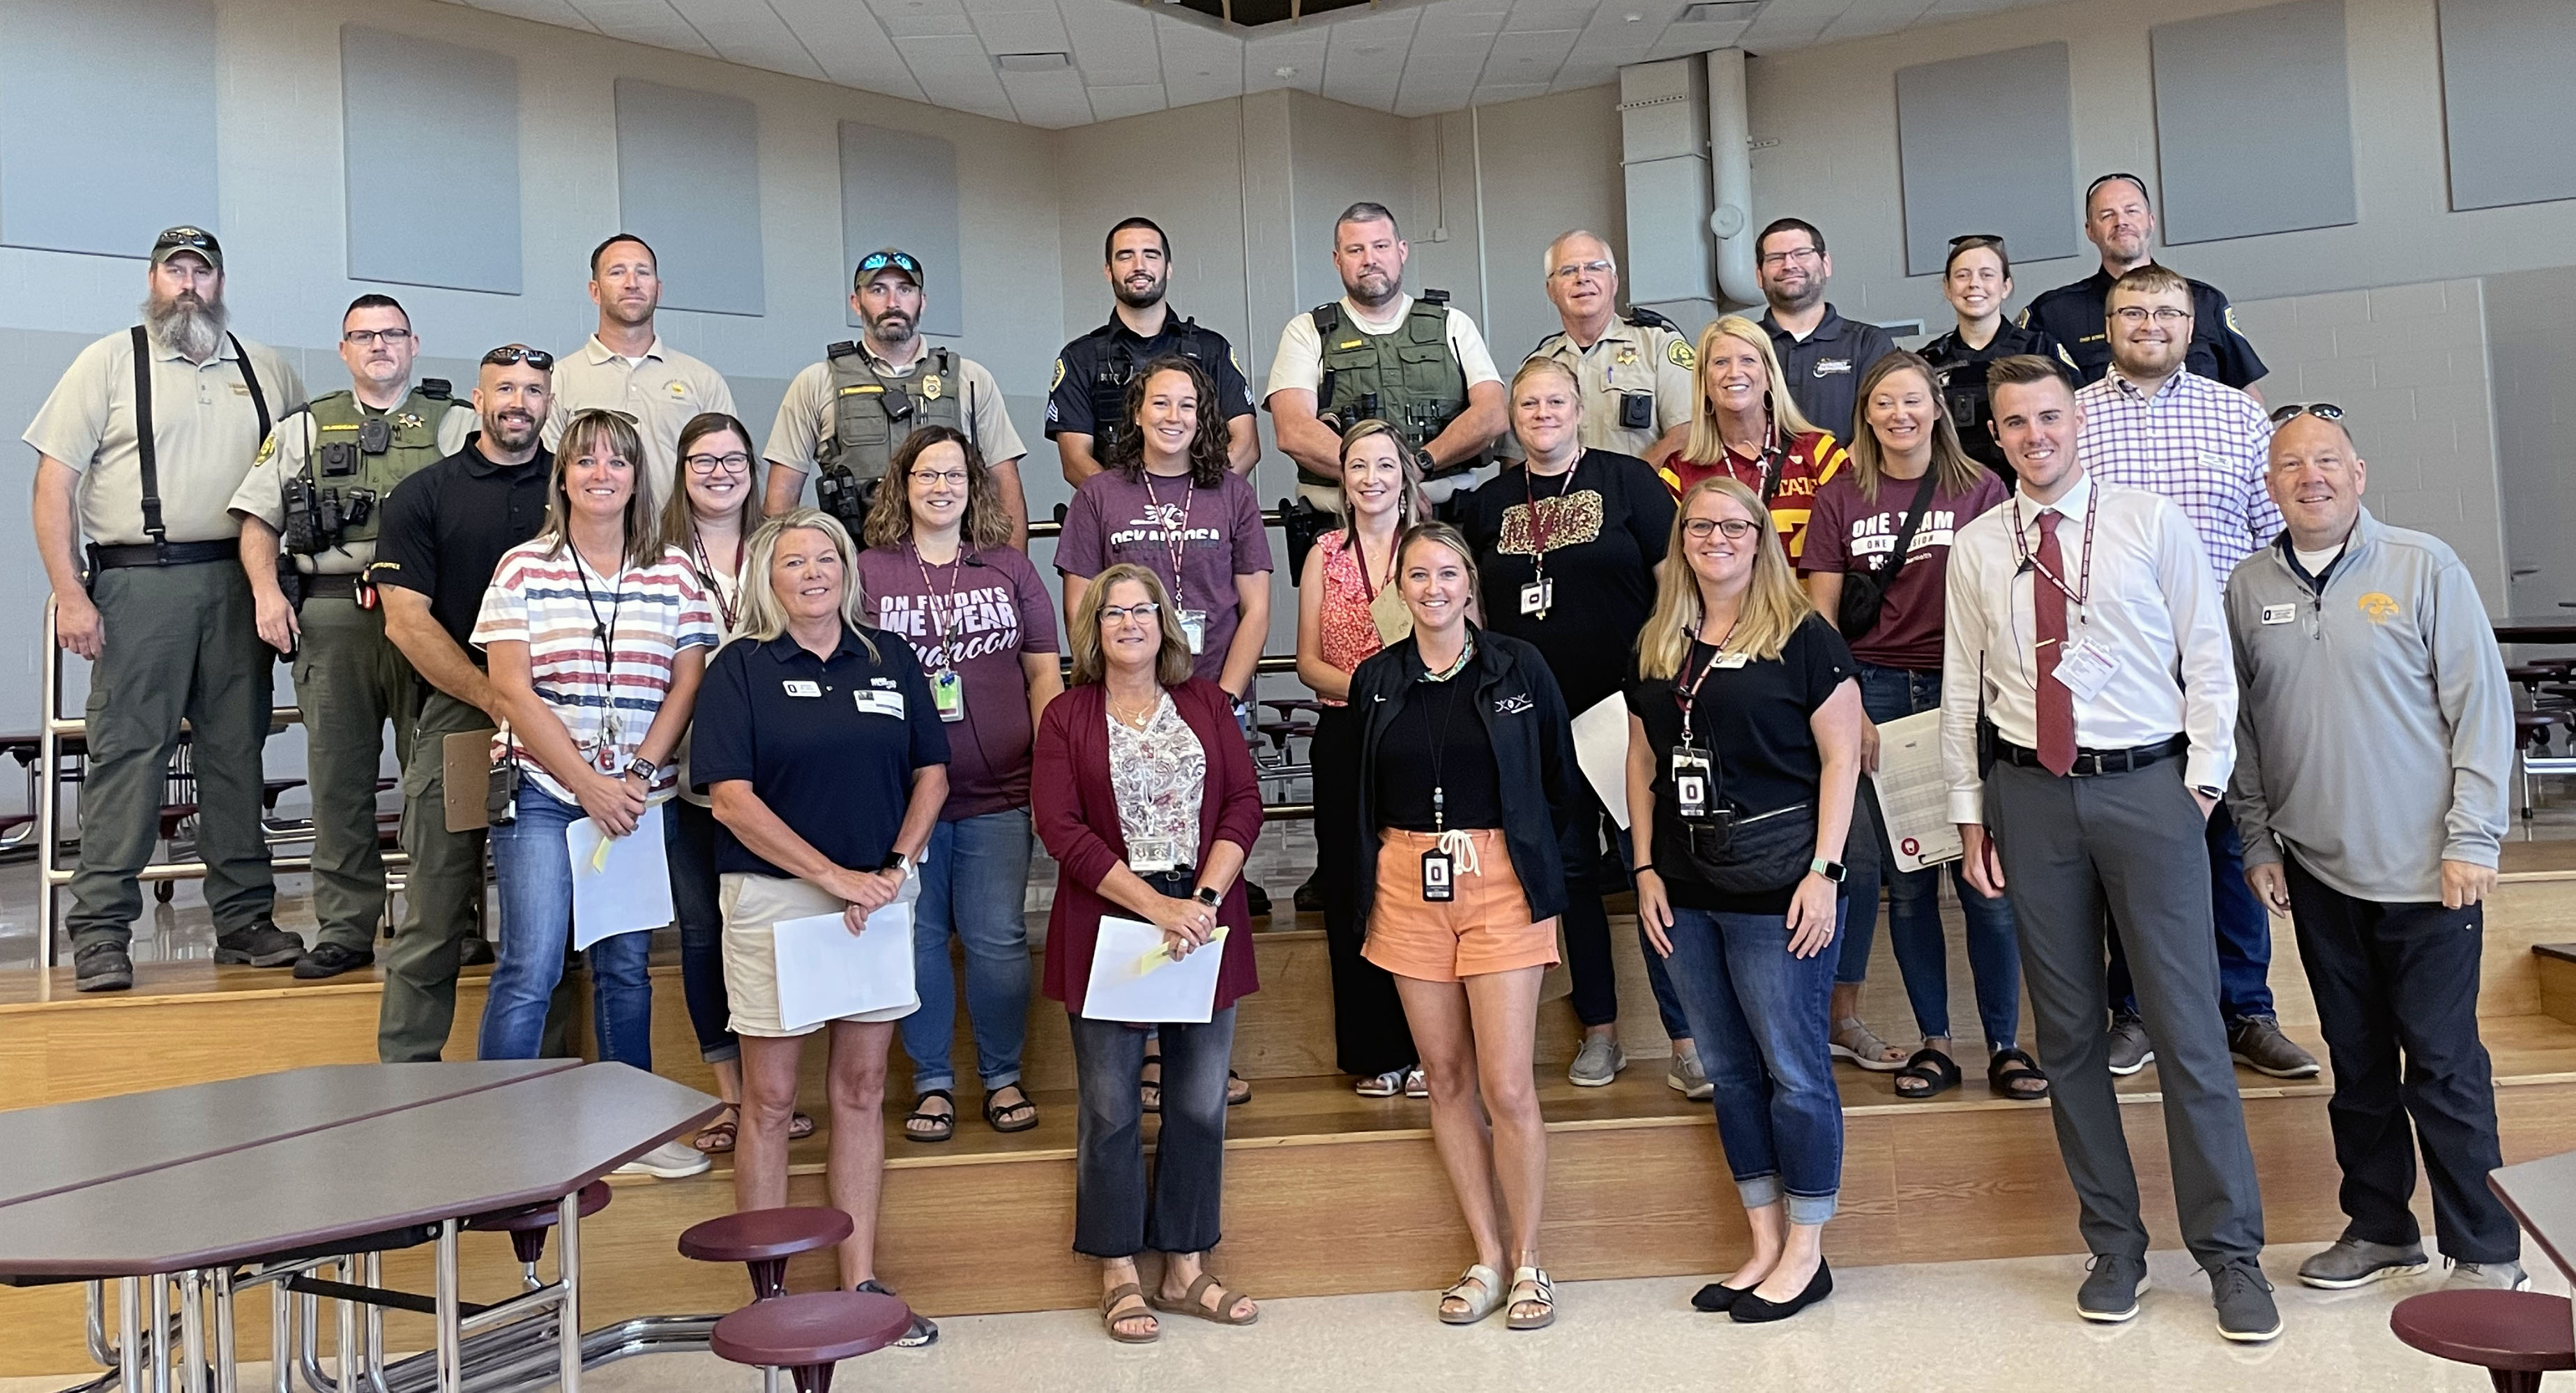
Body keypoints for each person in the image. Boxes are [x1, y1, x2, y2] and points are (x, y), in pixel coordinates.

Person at [1941, 355, 2278, 1343]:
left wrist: (2201, 784)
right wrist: (1970, 818)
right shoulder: (1975, 546)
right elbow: (1962, 689)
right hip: (2028, 797)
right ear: (1993, 436)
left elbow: (2206, 658)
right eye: (2014, 423)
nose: (2034, 435)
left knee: (2187, 1029)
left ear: (2074, 421)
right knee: (2072, 1036)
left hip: (2146, 789)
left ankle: (2230, 1255)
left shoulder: (2147, 521)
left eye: (2048, 416)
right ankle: (2115, 1245)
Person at [2227, 405, 2527, 1293]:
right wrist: (2257, 838)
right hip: (2316, 869)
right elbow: (2243, 729)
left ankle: (2484, 1248)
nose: (2309, 476)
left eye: (2326, 461)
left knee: (2441, 1064)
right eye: (2290, 465)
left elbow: (2481, 709)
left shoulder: (2421, 564)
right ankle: (2379, 1226)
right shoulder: (2248, 585)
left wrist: (2472, 836)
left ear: (2358, 474)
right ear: (2269, 483)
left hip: (2431, 872)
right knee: (2356, 1066)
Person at [26, 225, 308, 991]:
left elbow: (299, 484)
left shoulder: (267, 367)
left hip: (240, 580)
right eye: (174, 270)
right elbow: (54, 486)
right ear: (153, 278)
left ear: (220, 283)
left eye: (202, 272)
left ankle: (245, 918)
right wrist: (71, 593)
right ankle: (102, 931)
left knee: (234, 755)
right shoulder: (108, 362)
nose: (188, 284)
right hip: (137, 581)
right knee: (127, 757)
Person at [694, 509, 949, 1347]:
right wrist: (833, 877)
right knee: (769, 1099)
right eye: (793, 560)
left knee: (863, 1091)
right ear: (767, 576)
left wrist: (896, 867)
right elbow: (729, 797)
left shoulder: (890, 657)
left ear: (847, 567)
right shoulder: (739, 667)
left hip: (876, 900)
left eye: (826, 557)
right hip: (778, 899)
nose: (813, 572)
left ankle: (862, 1279)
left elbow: (932, 773)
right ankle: (767, 1297)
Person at [1627, 476, 1862, 1324]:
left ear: (1761, 538)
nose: (1715, 538)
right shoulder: (1659, 639)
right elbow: (1642, 763)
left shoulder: (1804, 637)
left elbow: (1841, 759)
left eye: (1734, 526)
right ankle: (1762, 1242)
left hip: (1781, 889)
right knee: (1728, 1074)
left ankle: (1808, 1248)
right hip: (1684, 892)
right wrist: (1645, 868)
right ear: (1680, 537)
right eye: (1699, 525)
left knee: (1795, 1074)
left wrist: (1825, 873)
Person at [2075, 264, 2316, 1082]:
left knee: (2231, 836)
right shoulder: (2070, 419)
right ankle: (2136, 1011)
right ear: (2107, 324)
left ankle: (2246, 1008)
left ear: (2194, 325)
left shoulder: (2235, 419)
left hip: (2219, 666)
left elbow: (2266, 545)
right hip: (2113, 682)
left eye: (2168, 311)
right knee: (2129, 847)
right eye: (2133, 311)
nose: (2151, 323)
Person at [472, 408, 717, 1181]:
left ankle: (633, 1139)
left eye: (617, 461)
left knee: (624, 966)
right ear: (564, 475)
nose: (601, 473)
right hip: (545, 788)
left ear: (636, 477)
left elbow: (689, 680)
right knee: (532, 962)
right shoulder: (523, 567)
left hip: (639, 797)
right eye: (585, 461)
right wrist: (587, 783)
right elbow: (509, 687)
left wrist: (637, 777)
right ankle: (495, 1141)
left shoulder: (674, 569)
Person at [1350, 522, 1583, 1330]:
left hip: (1502, 883)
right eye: (1418, 574)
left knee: (1507, 1083)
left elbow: (1559, 779)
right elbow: (1362, 796)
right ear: (1400, 587)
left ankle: (1529, 1262)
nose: (1434, 587)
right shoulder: (1375, 678)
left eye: (1449, 572)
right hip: (1406, 883)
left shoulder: (1519, 666)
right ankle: (1485, 1255)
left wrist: (1544, 872)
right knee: (1443, 1076)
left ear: (1469, 582)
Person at [1032, 564, 1264, 1344]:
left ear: (1167, 623)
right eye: (1112, 612)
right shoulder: (1066, 715)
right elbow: (1060, 826)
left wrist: (1198, 900)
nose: (1129, 622)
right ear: (1092, 629)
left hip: (1204, 916)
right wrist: (1156, 905)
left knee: (1199, 1100)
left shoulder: (1203, 701)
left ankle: (1186, 1263)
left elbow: (1242, 800)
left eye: (1142, 610)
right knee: (1108, 1105)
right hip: (1111, 922)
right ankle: (1118, 1268)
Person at [1455, 358, 1699, 1093]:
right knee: (1565, 877)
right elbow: (1477, 612)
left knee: (1646, 864)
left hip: (1623, 711)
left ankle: (1689, 1038)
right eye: (1527, 403)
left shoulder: (1629, 482)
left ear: (1577, 407)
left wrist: (1666, 693)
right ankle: (1600, 1031)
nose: (1541, 413)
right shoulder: (1488, 503)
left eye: (1555, 401)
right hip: (1534, 720)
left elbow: (1674, 589)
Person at [1801, 352, 2036, 1102]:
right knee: (1907, 882)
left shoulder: (1984, 489)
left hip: (1963, 692)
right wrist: (1850, 707)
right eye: (1883, 404)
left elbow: (2009, 605)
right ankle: (1936, 1041)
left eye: (1912, 401)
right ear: (1864, 416)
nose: (1899, 415)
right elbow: (1821, 618)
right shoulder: (1841, 495)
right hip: (1875, 693)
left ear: (1936, 407)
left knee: (1984, 879)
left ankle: (2004, 1043)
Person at [231, 294, 475, 981]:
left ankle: (449, 922)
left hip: (431, 617)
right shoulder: (307, 427)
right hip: (334, 615)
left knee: (440, 778)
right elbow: (257, 519)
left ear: (414, 343)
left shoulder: (458, 423)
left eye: (391, 334)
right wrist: (266, 591)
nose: (379, 346)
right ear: (343, 349)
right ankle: (344, 927)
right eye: (363, 336)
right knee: (338, 780)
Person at [1056, 354, 1274, 1079]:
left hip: (1208, 701)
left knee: (1207, 856)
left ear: (1203, 416)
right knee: (1131, 855)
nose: (1173, 416)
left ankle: (1195, 1030)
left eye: (1188, 404)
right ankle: (1145, 1040)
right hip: (1123, 698)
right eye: (1159, 403)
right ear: (1137, 413)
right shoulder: (1101, 495)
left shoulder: (1232, 493)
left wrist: (1226, 700)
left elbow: (1256, 605)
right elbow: (1084, 602)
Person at [856, 426, 1063, 1142]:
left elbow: (1043, 673)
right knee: (915, 938)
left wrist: (1049, 772)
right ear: (902, 486)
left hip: (1001, 791)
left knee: (998, 939)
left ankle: (1002, 1074)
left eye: (954, 475)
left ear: (973, 486)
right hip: (900, 798)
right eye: (925, 475)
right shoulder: (870, 572)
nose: (940, 487)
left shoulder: (1008, 568)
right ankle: (933, 1080)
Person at [370, 346, 555, 1062]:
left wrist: (535, 706)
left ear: (549, 402)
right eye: (505, 387)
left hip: (564, 713)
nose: (519, 400)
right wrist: (496, 697)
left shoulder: (578, 488)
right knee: (439, 906)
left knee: (553, 922)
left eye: (534, 389)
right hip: (465, 709)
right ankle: (407, 1081)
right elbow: (406, 621)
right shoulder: (424, 493)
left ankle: (555, 1081)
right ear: (478, 400)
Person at [654, 411, 809, 1156]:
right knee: (702, 931)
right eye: (702, 459)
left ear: (754, 468)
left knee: (778, 927)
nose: (719, 471)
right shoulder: (650, 553)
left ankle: (778, 1093)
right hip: (686, 772)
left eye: (733, 458)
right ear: (681, 471)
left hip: (776, 770)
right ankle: (732, 1096)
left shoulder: (783, 548)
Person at [1293, 420, 1425, 1097]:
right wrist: (1375, 691)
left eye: (1383, 464)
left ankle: (1432, 1049)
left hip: (1425, 737)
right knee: (1353, 893)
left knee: (1422, 892)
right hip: (1347, 734)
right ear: (1341, 481)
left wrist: (1410, 696)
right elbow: (1310, 662)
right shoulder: (1324, 552)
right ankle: (1375, 1051)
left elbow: (1472, 637)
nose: (1370, 478)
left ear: (1405, 475)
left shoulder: (1433, 549)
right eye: (1356, 467)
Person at [762, 248, 1029, 545]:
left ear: (922, 301)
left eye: (905, 289)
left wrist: (1016, 576)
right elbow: (781, 498)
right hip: (857, 566)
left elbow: (1005, 485)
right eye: (878, 290)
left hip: (956, 568)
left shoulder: (970, 379)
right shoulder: (816, 382)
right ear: (856, 302)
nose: (893, 302)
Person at [1265, 202, 1507, 508]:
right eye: (1356, 250)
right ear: (1337, 260)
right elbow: (1293, 431)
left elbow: (1492, 414)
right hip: (1341, 523)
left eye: (1381, 246)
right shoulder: (1306, 331)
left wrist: (1420, 464)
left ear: (1402, 250)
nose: (1370, 259)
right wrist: (1380, 485)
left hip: (1447, 518)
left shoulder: (1453, 324)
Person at [1051, 217, 1259, 485]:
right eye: (1126, 256)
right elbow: (1075, 461)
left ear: (1168, 268)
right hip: (1117, 522)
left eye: (1151, 255)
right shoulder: (1080, 358)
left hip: (1205, 517)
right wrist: (1132, 505)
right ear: (1108, 270)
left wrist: (1199, 500)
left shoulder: (1212, 350)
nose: (1140, 266)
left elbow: (1247, 445)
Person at [2022, 174, 2268, 394]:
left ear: (2151, 220)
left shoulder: (2204, 301)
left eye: (2132, 211)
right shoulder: (2053, 314)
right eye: (2107, 215)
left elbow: (2246, 393)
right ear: (2090, 231)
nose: (2121, 222)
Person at [545, 234, 736, 497]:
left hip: (681, 537)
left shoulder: (704, 381)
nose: (631, 283)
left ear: (658, 289)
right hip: (592, 536)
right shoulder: (559, 380)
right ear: (595, 291)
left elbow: (730, 473)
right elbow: (549, 478)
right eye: (617, 272)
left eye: (642, 273)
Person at [1660, 317, 1852, 568]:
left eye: (1748, 360)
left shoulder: (1820, 453)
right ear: (1704, 382)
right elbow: (1673, 567)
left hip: (1806, 605)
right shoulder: (1679, 472)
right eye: (1720, 362)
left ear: (1770, 375)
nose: (1734, 372)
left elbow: (1852, 550)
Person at [1525, 229, 1697, 463]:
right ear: (1551, 291)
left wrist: (1628, 484)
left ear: (1614, 282)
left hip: (1641, 497)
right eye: (1568, 271)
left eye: (1595, 267)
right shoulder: (1537, 366)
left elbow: (1686, 434)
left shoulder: (1659, 345)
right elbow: (1516, 459)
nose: (1582, 278)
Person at [1919, 235, 2076, 482]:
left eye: (1987, 275)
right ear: (1947, 288)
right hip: (1951, 494)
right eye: (1962, 275)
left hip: (2028, 489)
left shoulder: (2039, 348)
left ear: (2006, 286)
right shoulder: (1928, 361)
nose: (1974, 284)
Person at [1752, 219, 1894, 439]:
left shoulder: (1868, 343)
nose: (1789, 265)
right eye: (1776, 258)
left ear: (1826, 264)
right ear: (1759, 275)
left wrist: (1839, 472)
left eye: (1801, 254)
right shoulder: (1742, 347)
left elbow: (1880, 428)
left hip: (1848, 473)